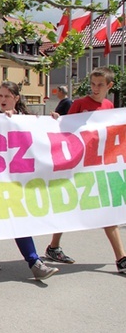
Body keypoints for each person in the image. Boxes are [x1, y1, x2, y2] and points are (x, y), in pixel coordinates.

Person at [0, 81, 58, 280]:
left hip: (20, 180)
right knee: (17, 219)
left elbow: (43, 136)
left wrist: (53, 121)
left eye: (6, 96)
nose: (2, 100)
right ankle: (34, 262)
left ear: (16, 98)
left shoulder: (27, 120)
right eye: (0, 96)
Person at [48, 67, 126, 274]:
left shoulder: (109, 105)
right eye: (92, 84)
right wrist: (57, 117)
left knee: (108, 212)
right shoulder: (80, 103)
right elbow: (66, 127)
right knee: (69, 206)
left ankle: (121, 258)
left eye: (100, 85)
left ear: (109, 86)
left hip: (99, 165)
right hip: (78, 164)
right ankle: (53, 247)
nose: (95, 88)